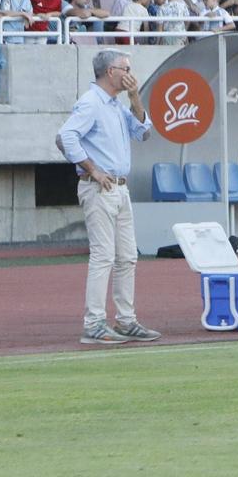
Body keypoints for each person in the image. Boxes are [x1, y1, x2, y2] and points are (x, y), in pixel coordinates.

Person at [57, 48, 157, 344]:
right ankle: (95, 322)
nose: (129, 73)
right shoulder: (91, 102)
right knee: (103, 255)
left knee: (127, 256)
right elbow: (65, 136)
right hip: (99, 186)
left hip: (119, 187)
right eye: (125, 68)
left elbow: (143, 132)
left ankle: (126, 320)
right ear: (110, 72)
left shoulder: (114, 103)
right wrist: (92, 168)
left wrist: (135, 97)